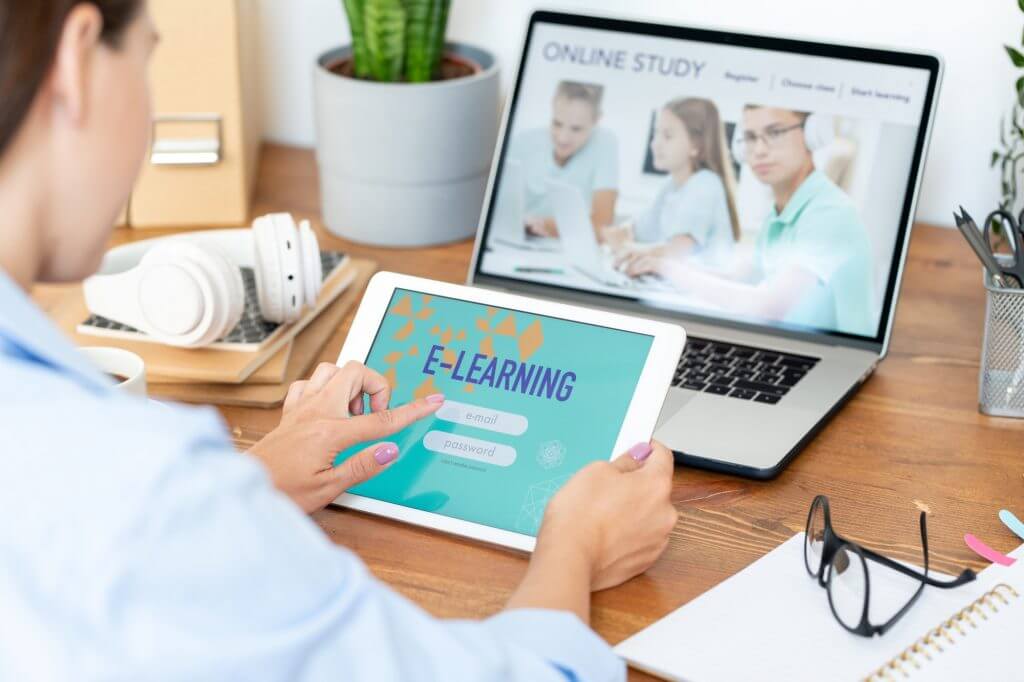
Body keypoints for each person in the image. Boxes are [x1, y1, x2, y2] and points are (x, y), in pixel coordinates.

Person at [0, 3, 678, 680]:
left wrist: (252, 481)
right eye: (147, 63)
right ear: (75, 63)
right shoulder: (143, 490)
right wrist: (577, 545)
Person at [622, 104, 875, 336]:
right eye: (751, 137)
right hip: (782, 345)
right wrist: (660, 265)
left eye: (775, 133)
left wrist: (670, 269)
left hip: (828, 360)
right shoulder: (779, 214)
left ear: (813, 134)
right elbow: (736, 279)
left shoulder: (830, 213)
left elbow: (767, 307)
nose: (759, 150)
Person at [612, 97, 739, 269]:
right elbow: (639, 228)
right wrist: (625, 232)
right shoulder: (671, 185)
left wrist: (631, 249)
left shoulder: (706, 184)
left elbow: (679, 250)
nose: (655, 144)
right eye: (656, 133)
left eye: (667, 136)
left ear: (696, 145)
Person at [507, 80, 619, 239]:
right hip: (515, 240)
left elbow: (601, 227)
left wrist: (543, 225)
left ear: (597, 120)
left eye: (576, 129)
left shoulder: (605, 142)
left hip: (561, 248)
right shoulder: (522, 142)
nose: (563, 138)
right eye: (557, 123)